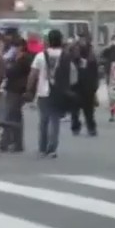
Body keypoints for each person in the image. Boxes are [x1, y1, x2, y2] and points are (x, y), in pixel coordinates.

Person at [27, 29, 76, 158]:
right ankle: (52, 148)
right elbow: (73, 75)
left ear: (48, 40)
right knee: (55, 121)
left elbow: (33, 74)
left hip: (43, 92)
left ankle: (42, 147)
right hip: (60, 92)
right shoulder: (66, 56)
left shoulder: (40, 56)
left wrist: (28, 89)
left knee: (43, 121)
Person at [69, 35, 100, 137]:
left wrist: (95, 85)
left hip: (87, 85)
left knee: (88, 109)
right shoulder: (74, 54)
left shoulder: (91, 56)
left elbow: (95, 72)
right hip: (76, 85)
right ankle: (77, 127)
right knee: (75, 109)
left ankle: (90, 127)